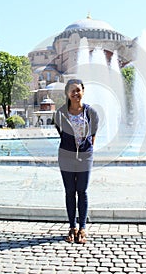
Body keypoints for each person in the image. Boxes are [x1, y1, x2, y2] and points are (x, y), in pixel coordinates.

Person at [55, 79, 99, 244]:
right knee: (69, 191)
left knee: (82, 191)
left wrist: (86, 150)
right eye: (72, 91)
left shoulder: (91, 113)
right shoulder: (60, 113)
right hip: (66, 156)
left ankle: (82, 228)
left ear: (83, 91)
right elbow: (61, 132)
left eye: (78, 90)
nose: (75, 93)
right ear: (67, 94)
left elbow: (93, 134)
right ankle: (72, 227)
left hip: (85, 156)